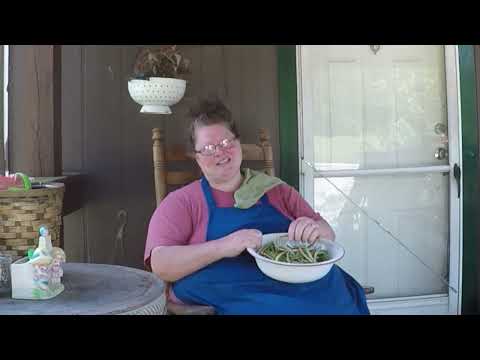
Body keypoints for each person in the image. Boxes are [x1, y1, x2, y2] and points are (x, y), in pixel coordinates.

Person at [144, 98, 370, 315]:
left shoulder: (277, 191)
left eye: (225, 143)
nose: (220, 152)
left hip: (303, 287)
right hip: (239, 296)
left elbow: (327, 234)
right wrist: (224, 246)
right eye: (209, 148)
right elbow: (161, 264)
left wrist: (312, 228)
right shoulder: (182, 203)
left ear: (238, 144)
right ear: (197, 157)